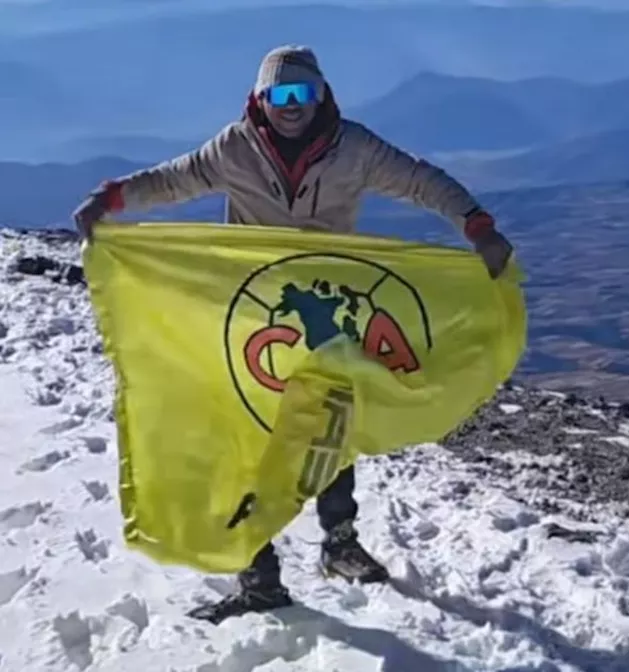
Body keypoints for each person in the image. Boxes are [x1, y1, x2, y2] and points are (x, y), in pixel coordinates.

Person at [71, 45, 515, 624]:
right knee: (246, 439)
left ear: (321, 96)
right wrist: (113, 197)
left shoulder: (353, 148)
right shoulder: (234, 148)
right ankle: (257, 577)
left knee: (330, 424)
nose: (291, 106)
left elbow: (420, 181)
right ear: (260, 99)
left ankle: (340, 543)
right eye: (279, 95)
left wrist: (476, 224)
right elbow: (174, 180)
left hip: (327, 312)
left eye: (303, 93)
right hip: (252, 316)